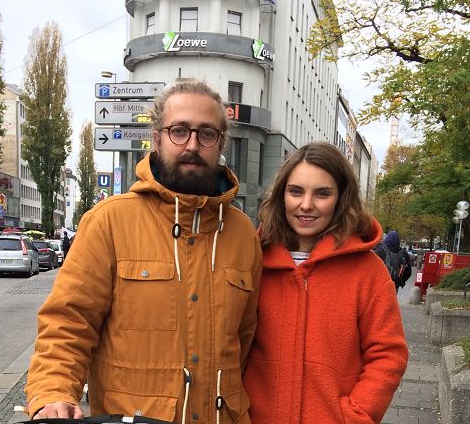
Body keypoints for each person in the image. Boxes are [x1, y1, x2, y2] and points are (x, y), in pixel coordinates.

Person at [25, 79, 263, 423]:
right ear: (156, 138)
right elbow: (68, 325)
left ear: (221, 142)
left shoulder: (243, 233)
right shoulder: (109, 222)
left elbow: (244, 339)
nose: (192, 145)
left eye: (207, 133)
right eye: (179, 130)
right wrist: (53, 393)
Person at [243, 142, 408, 424]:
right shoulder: (251, 262)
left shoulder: (367, 271)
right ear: (282, 195)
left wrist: (355, 414)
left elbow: (388, 354)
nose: (306, 205)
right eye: (295, 191)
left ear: (340, 198)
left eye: (322, 193)